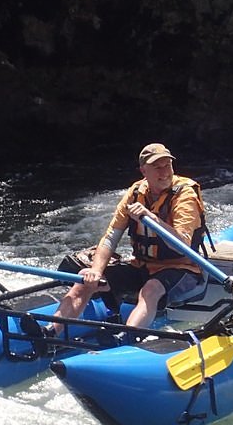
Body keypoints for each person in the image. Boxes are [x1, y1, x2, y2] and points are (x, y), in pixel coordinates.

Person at [48, 143, 207, 334]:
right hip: (142, 265)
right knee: (84, 279)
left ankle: (128, 337)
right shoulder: (135, 193)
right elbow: (110, 237)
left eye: (168, 165)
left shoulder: (185, 194)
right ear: (143, 171)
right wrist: (96, 271)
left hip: (183, 268)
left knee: (151, 289)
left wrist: (152, 219)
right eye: (157, 167)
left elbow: (182, 245)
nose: (165, 172)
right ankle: (50, 331)